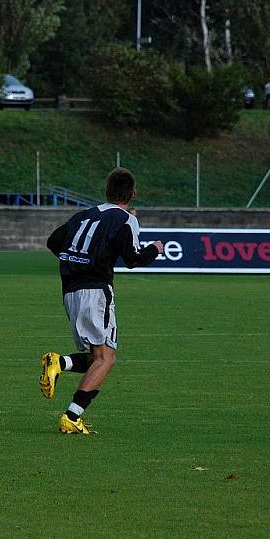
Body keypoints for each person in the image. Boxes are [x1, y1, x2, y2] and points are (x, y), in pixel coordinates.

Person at [39, 168, 163, 435]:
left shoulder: (84, 215)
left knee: (99, 356)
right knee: (106, 359)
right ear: (133, 194)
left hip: (70, 291)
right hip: (96, 292)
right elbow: (133, 259)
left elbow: (53, 241)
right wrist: (155, 248)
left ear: (106, 192)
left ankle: (60, 363)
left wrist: (76, 263)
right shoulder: (125, 219)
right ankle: (72, 416)